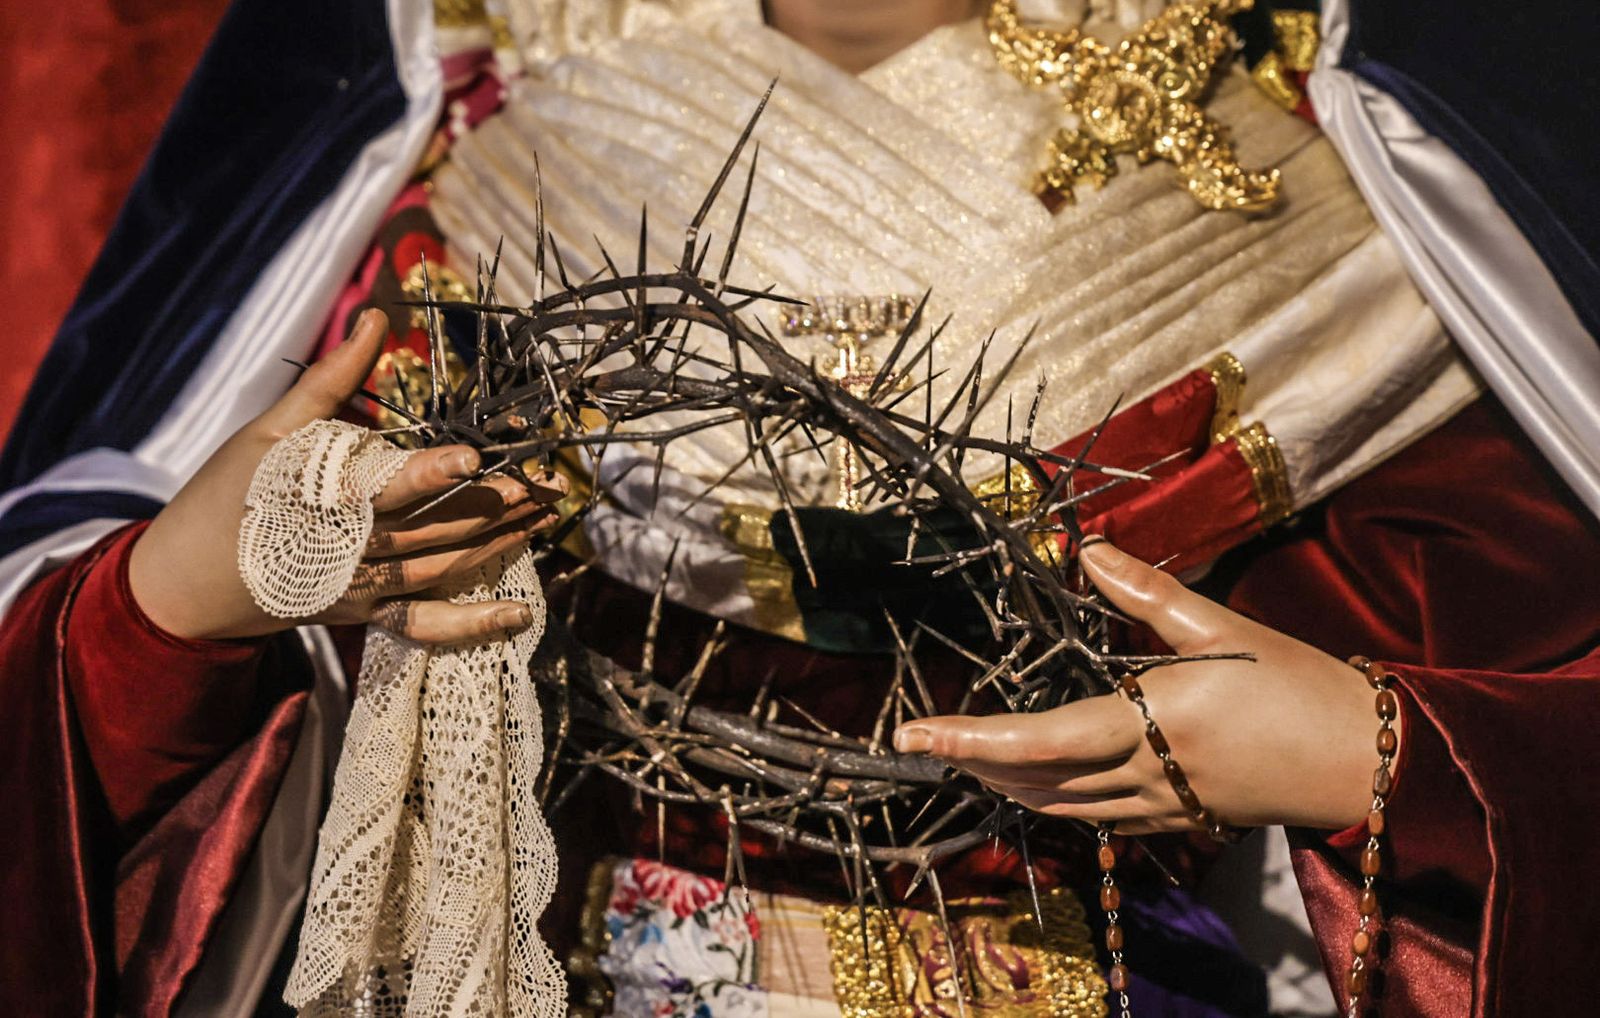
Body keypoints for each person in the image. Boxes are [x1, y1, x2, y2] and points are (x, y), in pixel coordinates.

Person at [1, 1, 1596, 1016]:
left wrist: (1374, 750)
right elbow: (94, 673)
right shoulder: (445, 108)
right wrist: (159, 609)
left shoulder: (1348, 162)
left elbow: (1533, 668)